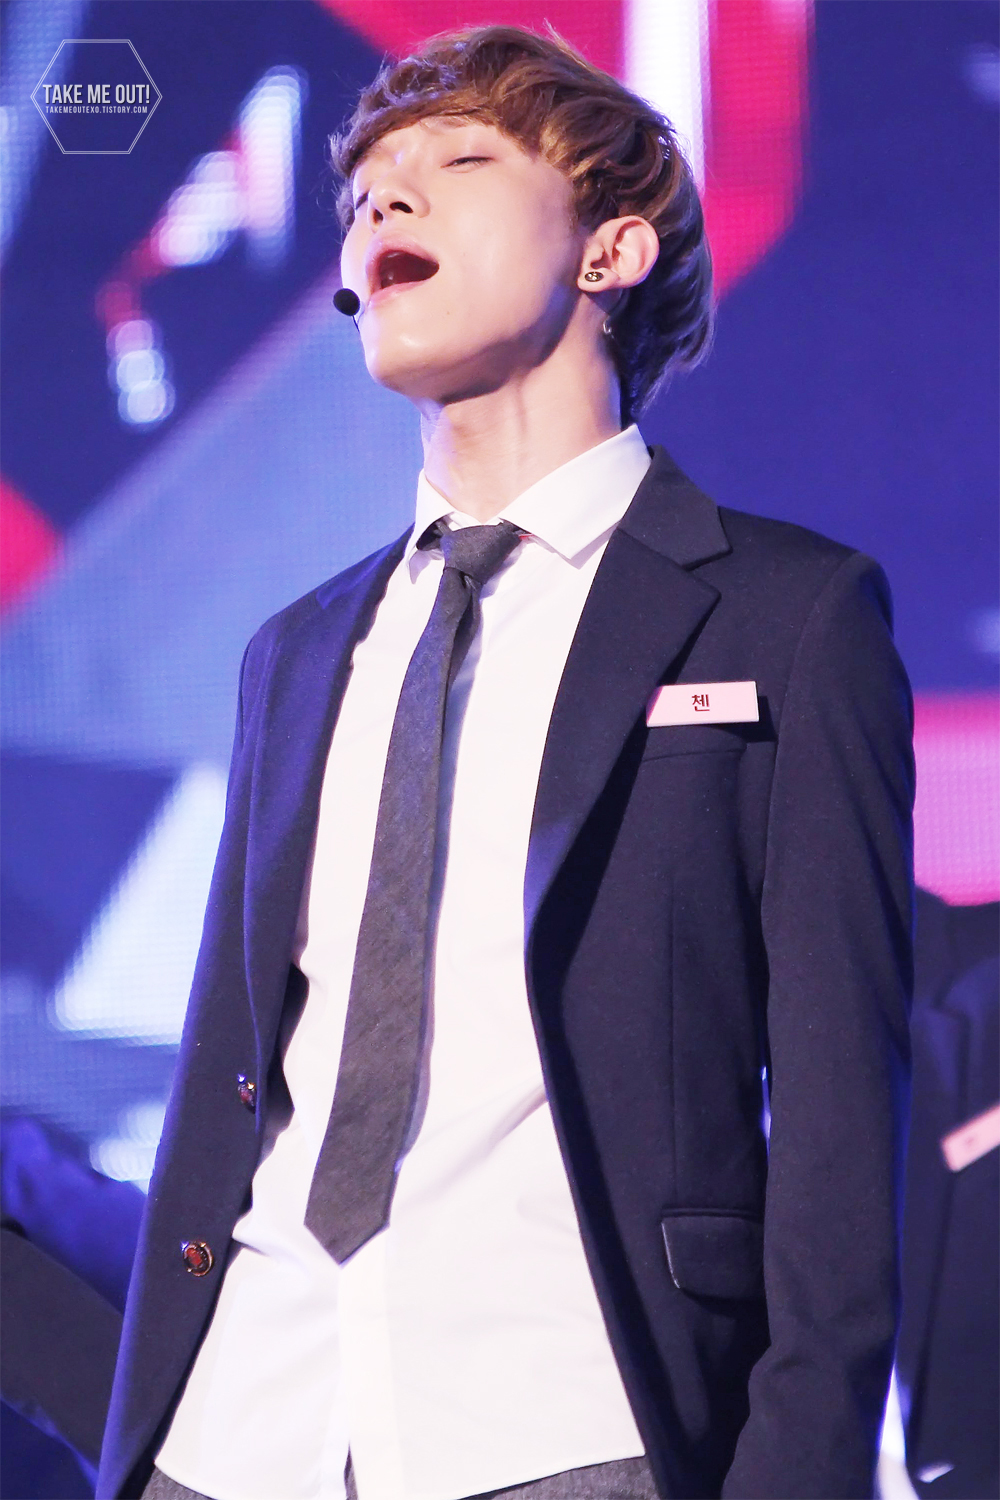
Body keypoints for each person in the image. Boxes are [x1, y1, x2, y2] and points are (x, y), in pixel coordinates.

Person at [97, 26, 915, 1500]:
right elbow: (237, 1066)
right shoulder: (298, 650)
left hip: (566, 1422)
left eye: (460, 160)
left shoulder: (789, 615)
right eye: (365, 193)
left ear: (611, 249)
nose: (387, 201)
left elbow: (845, 1106)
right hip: (243, 1425)